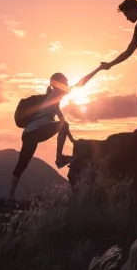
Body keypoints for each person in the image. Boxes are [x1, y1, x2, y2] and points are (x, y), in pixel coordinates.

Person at [8, 66, 102, 202]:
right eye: (66, 82)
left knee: (22, 163)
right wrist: (98, 69)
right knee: (23, 162)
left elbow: (62, 123)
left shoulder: (52, 100)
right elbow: (81, 83)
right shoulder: (56, 95)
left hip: (29, 133)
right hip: (35, 132)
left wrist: (72, 140)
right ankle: (59, 159)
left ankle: (10, 195)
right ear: (58, 84)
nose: (68, 84)